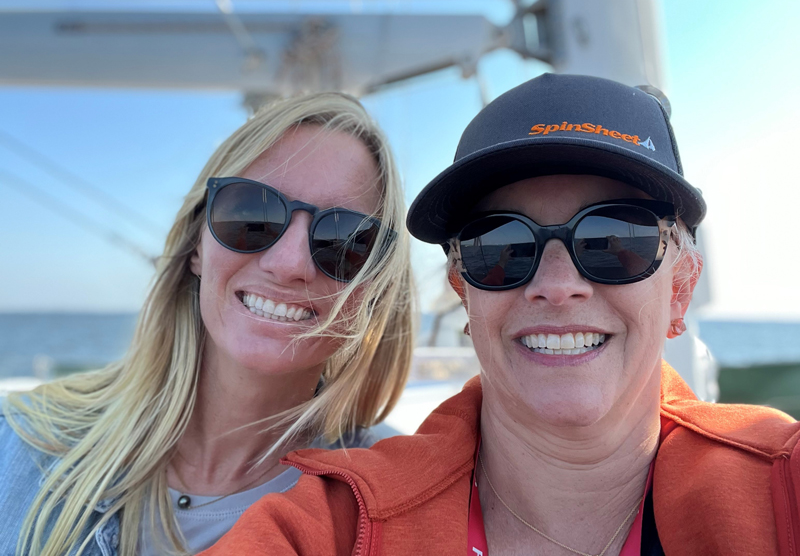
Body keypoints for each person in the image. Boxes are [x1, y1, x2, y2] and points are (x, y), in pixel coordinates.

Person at [201, 74, 800, 556]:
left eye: (616, 239)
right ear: (464, 289)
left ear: (681, 286)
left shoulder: (782, 490)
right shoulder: (335, 526)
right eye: (501, 247)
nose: (559, 286)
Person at [0, 92, 414, 556]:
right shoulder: (18, 445)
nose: (289, 263)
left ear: (374, 288)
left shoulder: (394, 504)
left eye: (344, 240)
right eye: (251, 213)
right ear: (198, 245)